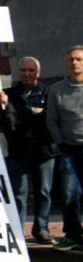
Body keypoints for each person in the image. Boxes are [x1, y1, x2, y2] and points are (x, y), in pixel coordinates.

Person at [5, 57, 59, 243]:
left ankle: (41, 229)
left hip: (44, 150)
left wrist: (36, 114)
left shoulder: (49, 92)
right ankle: (18, 230)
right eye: (23, 70)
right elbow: (10, 120)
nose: (26, 74)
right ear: (18, 72)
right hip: (19, 150)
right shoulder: (8, 94)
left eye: (31, 70)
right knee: (19, 193)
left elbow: (51, 117)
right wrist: (34, 112)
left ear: (38, 73)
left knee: (43, 192)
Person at [47, 46, 83, 251]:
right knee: (70, 195)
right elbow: (51, 121)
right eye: (70, 60)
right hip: (69, 149)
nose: (74, 62)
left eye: (78, 59)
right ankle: (72, 235)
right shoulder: (57, 90)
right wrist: (61, 143)